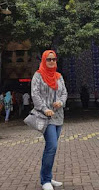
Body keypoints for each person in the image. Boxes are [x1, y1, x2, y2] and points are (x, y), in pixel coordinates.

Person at [31, 50, 67, 190]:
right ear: (44, 60)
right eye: (49, 59)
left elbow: (64, 92)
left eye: (54, 59)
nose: (52, 61)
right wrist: (45, 109)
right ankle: (45, 180)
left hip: (58, 116)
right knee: (52, 146)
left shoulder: (59, 76)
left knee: (50, 148)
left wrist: (61, 102)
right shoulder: (38, 76)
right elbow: (35, 94)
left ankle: (48, 177)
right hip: (45, 117)